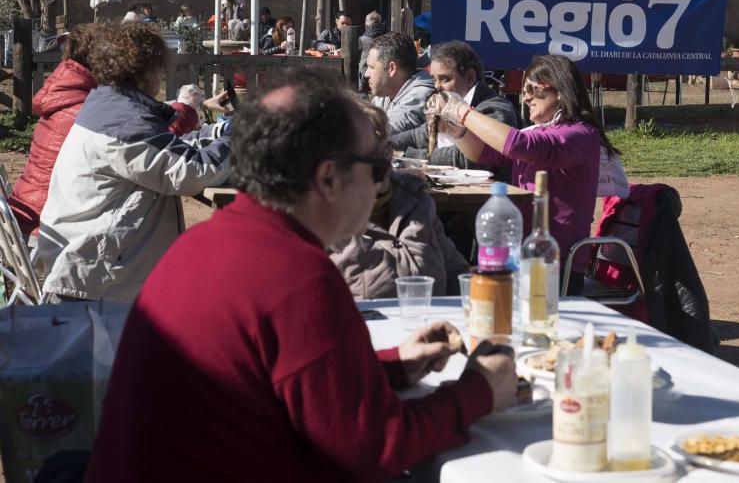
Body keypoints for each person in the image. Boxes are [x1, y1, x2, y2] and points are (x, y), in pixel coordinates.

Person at [84, 67, 516, 482]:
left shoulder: (212, 243)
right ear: (328, 178)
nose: (383, 183)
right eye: (377, 169)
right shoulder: (293, 275)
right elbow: (372, 448)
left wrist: (394, 366)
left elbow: (291, 386)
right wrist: (479, 390)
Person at [34, 22, 232, 302]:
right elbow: (192, 172)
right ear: (146, 68)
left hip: (83, 258)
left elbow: (159, 149)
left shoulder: (106, 103)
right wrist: (244, 136)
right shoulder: (125, 118)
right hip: (95, 279)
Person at [426, 54, 618, 293]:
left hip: (554, 262)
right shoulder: (544, 132)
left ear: (559, 89)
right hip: (524, 256)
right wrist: (454, 130)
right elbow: (483, 153)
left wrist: (463, 112)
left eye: (531, 88)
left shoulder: (579, 134)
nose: (525, 97)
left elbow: (517, 144)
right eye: (524, 89)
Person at [7, 24, 218, 239]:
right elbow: (147, 147)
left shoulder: (70, 95)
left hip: (36, 217)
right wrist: (187, 110)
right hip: (51, 232)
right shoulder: (87, 109)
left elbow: (142, 130)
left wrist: (187, 108)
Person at [330, 102, 468, 298]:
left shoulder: (416, 201)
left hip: (433, 322)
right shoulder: (324, 217)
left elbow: (458, 275)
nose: (376, 162)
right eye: (360, 155)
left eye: (380, 150)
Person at [394, 41, 518, 172]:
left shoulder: (495, 109)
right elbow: (416, 137)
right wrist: (382, 145)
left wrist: (408, 156)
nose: (437, 86)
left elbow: (467, 159)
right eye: (434, 80)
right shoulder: (446, 109)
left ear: (469, 77)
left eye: (444, 79)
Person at [365, 32, 436, 141]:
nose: (366, 74)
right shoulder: (384, 93)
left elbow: (381, 132)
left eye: (371, 67)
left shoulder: (423, 95)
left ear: (391, 68)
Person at [358, 9, 386, 89]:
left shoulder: (362, 39)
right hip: (384, 77)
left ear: (366, 25)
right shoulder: (388, 37)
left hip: (365, 77)